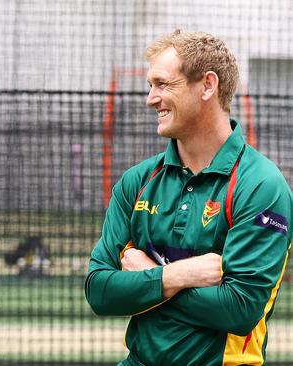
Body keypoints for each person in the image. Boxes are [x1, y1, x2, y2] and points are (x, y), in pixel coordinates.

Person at [85, 29, 292, 365]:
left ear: (207, 85)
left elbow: (239, 310)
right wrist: (178, 275)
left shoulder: (260, 186)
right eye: (150, 86)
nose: (151, 98)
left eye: (163, 84)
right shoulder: (136, 182)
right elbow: (100, 292)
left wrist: (147, 277)